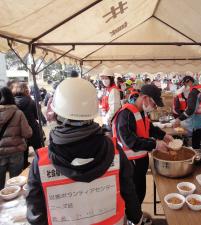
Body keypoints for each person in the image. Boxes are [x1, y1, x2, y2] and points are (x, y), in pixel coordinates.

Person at [26, 78, 145, 225]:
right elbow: (129, 192)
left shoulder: (41, 162)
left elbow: (36, 213)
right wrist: (137, 219)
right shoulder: (114, 150)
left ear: (57, 114)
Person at [112, 85, 173, 220]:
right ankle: (132, 220)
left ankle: (137, 217)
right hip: (129, 165)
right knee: (132, 197)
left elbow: (149, 128)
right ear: (145, 98)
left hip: (140, 162)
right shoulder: (125, 114)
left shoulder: (141, 112)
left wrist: (163, 136)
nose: (155, 107)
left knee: (140, 193)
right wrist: (155, 144)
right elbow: (130, 141)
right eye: (154, 103)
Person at [0, 87, 32, 189]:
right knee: (16, 185)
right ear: (11, 97)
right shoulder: (18, 113)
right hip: (16, 152)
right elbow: (27, 133)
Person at [174, 76, 201, 153]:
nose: (185, 87)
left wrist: (179, 119)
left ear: (189, 82)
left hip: (199, 122)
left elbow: (191, 109)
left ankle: (197, 160)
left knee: (196, 144)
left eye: (185, 84)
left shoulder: (194, 92)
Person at [12, 82, 43, 167]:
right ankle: (40, 166)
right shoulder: (31, 101)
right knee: (39, 151)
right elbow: (38, 117)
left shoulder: (12, 103)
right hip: (33, 129)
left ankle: (25, 165)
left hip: (19, 132)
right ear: (26, 90)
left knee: (23, 152)